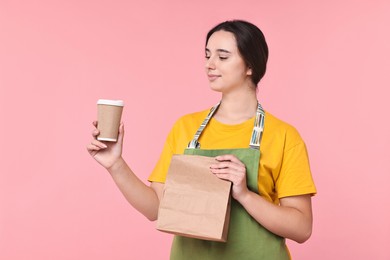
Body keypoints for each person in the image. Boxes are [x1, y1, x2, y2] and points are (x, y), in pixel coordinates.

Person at [87, 20, 316, 259]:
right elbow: (157, 208)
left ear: (250, 65)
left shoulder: (283, 136)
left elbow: (301, 228)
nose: (210, 64)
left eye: (223, 57)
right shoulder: (186, 128)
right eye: (207, 56)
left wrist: (245, 194)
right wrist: (115, 164)